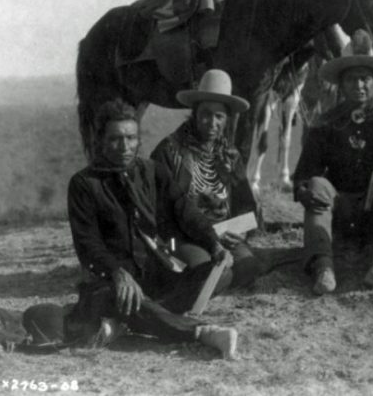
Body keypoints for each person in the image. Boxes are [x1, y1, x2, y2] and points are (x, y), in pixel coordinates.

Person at [66, 98, 238, 359]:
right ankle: (202, 332)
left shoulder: (152, 171)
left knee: (221, 272)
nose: (125, 147)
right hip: (111, 283)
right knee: (118, 296)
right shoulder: (84, 184)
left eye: (131, 138)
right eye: (115, 139)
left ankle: (132, 320)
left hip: (156, 279)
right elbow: (87, 244)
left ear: (138, 139)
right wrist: (117, 272)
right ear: (100, 139)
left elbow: (185, 211)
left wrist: (213, 243)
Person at [292, 30, 373, 294]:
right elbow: (304, 173)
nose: (358, 86)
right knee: (316, 183)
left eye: (365, 79)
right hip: (341, 210)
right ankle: (323, 265)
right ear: (341, 84)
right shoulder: (326, 123)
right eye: (351, 80)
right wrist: (304, 190)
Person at [151, 69, 263, 288]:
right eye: (206, 113)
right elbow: (163, 212)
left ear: (227, 119)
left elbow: (245, 204)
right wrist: (207, 237)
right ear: (194, 113)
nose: (212, 122)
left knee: (249, 268)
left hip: (223, 234)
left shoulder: (230, 154)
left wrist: (240, 232)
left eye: (219, 116)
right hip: (179, 236)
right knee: (209, 273)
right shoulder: (169, 151)